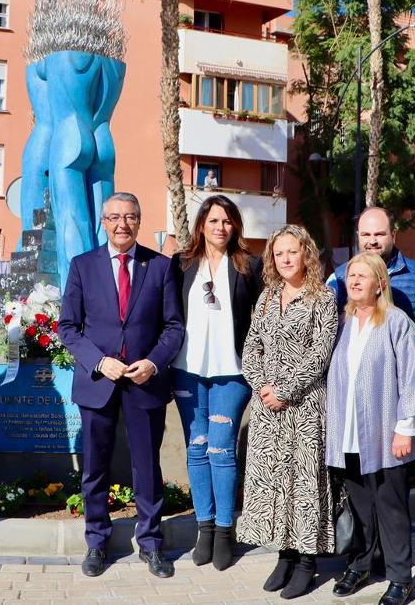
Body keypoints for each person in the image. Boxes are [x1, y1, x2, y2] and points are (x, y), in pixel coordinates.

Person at [58, 192, 185, 579]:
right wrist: (99, 361)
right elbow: (67, 327)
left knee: (147, 466)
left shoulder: (160, 266)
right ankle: (96, 542)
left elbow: (174, 326)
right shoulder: (83, 266)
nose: (122, 224)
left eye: (130, 217)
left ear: (139, 220)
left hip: (145, 382)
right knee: (95, 467)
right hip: (99, 382)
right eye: (114, 217)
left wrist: (153, 362)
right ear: (103, 221)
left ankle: (151, 544)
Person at [326, 252, 415, 605]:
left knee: (390, 508)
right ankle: (360, 564)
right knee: (360, 507)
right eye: (351, 276)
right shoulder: (342, 325)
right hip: (349, 435)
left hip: (386, 435)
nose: (354, 281)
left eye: (363, 276)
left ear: (381, 284)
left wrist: (405, 428)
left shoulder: (396, 322)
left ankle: (400, 578)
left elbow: (411, 377)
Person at [237, 224, 339, 600]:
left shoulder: (323, 298)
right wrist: (262, 386)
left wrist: (284, 390)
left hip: (305, 406)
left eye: (291, 252)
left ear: (306, 254)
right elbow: (251, 347)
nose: (284, 259)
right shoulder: (266, 298)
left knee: (304, 484)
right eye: (278, 254)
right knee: (275, 482)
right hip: (267, 408)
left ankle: (308, 562)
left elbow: (320, 353)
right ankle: (284, 553)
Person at [170, 195, 263, 570]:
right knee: (197, 447)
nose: (220, 228)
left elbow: (264, 318)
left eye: (227, 221)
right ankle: (203, 528)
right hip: (187, 370)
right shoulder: (180, 265)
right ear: (201, 226)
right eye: (213, 221)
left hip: (233, 372)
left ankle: (225, 530)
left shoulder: (248, 266)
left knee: (222, 449)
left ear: (235, 226)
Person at [326, 207, 415, 322]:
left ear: (393, 236)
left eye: (379, 234)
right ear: (358, 236)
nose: (372, 241)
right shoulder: (339, 278)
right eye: (366, 234)